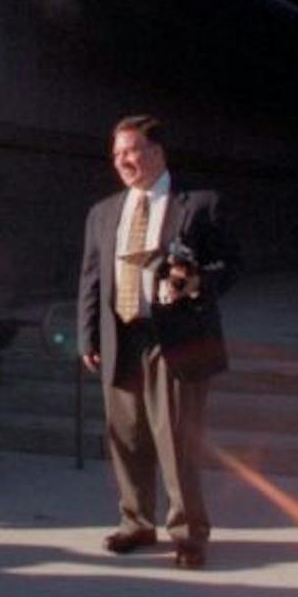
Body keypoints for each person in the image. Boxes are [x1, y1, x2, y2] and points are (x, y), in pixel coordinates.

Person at [76, 115, 240, 570]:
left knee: (176, 441)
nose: (123, 161)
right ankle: (136, 523)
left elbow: (232, 264)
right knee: (126, 438)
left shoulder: (199, 204)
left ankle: (189, 534)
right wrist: (88, 334)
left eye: (131, 150)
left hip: (177, 339)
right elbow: (92, 277)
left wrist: (195, 282)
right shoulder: (104, 211)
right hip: (120, 335)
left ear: (157, 153)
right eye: (116, 154)